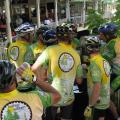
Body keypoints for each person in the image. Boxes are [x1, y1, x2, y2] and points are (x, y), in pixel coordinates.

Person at [31, 25, 83, 120]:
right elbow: (79, 81)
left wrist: (40, 82)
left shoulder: (50, 50)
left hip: (52, 95)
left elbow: (34, 68)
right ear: (69, 37)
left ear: (57, 38)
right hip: (68, 97)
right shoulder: (76, 54)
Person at [82, 36, 111, 120]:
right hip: (105, 101)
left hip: (96, 103)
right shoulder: (104, 61)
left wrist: (90, 106)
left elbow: (97, 86)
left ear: (87, 49)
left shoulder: (94, 64)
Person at [99, 23, 120, 118]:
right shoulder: (117, 40)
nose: (99, 36)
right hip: (116, 75)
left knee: (105, 96)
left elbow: (102, 60)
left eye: (101, 34)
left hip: (118, 77)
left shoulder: (112, 44)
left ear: (107, 35)